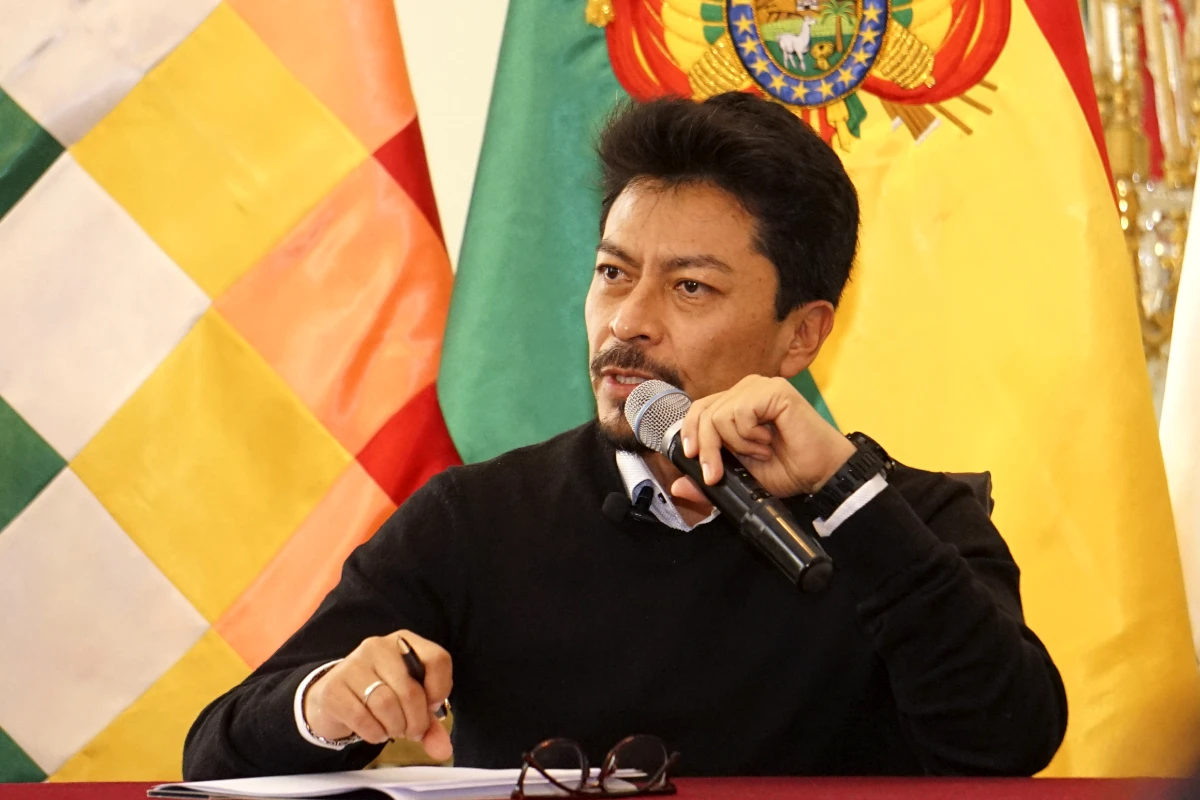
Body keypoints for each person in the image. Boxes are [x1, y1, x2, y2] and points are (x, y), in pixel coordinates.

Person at [183, 92, 1067, 780]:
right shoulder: (477, 519)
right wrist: (330, 703)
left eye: (690, 288)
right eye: (613, 272)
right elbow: (214, 752)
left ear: (801, 335)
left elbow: (1010, 742)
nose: (626, 322)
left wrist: (846, 496)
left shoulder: (909, 521)